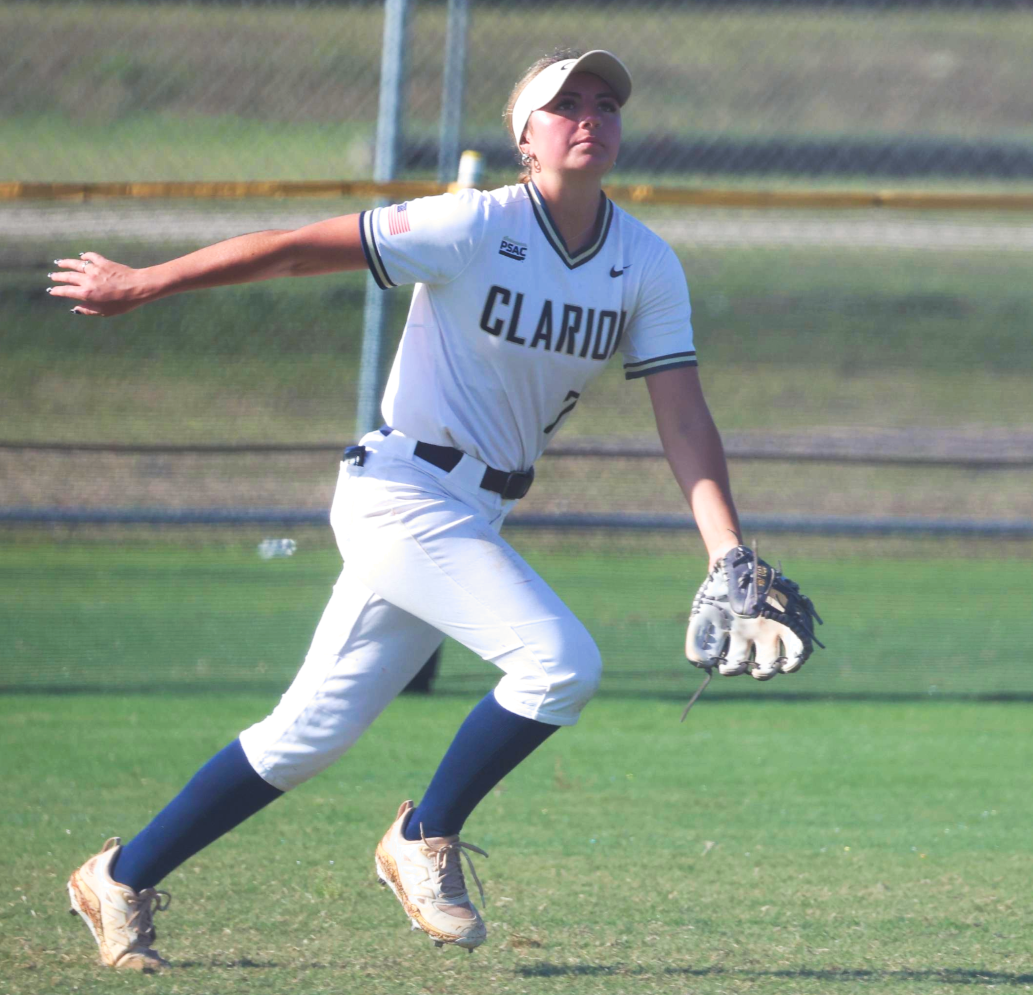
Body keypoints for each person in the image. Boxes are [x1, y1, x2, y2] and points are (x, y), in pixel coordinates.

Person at [48, 49, 798, 970]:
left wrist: (726, 553)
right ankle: (421, 835)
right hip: (399, 491)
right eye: (565, 104)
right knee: (558, 663)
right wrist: (147, 280)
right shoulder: (472, 225)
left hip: (472, 514)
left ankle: (120, 875)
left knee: (306, 732)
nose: (590, 116)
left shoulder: (643, 262)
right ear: (524, 135)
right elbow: (295, 249)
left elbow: (682, 413)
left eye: (606, 103)